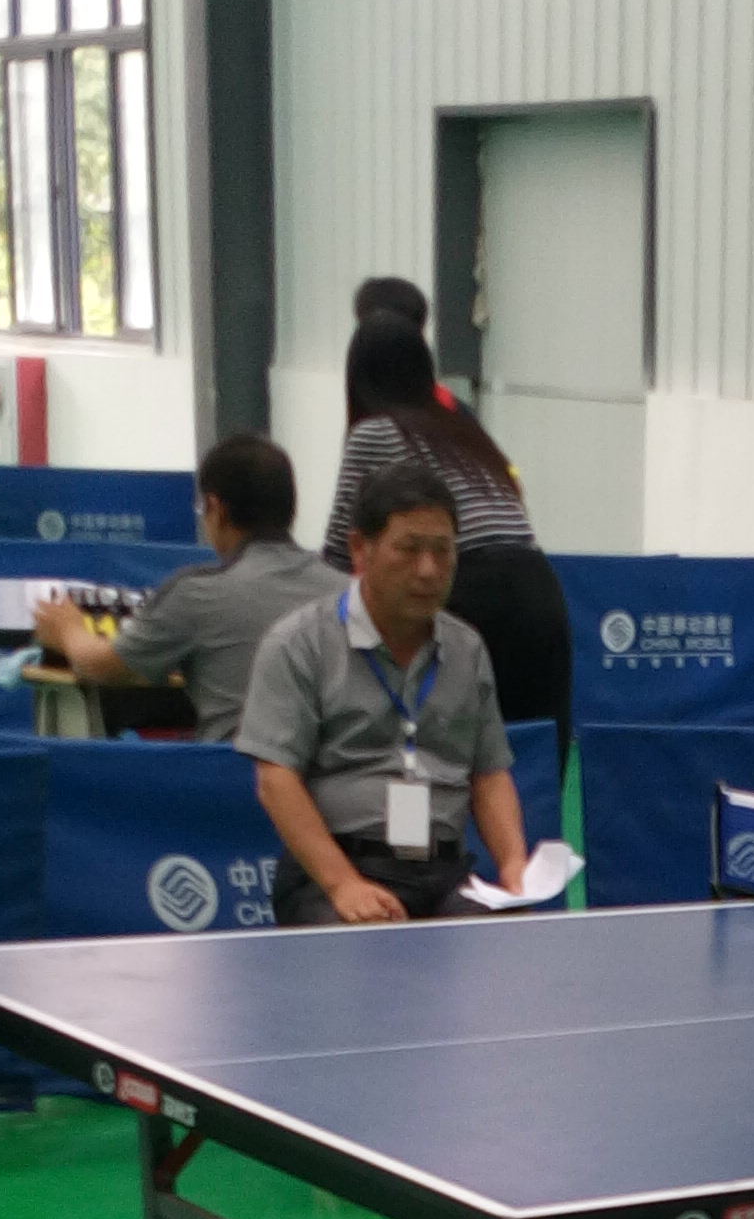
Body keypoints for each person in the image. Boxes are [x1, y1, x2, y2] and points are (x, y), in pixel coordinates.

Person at [237, 457, 528, 925]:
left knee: (501, 940)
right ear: (360, 549)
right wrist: (342, 884)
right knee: (365, 948)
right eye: (409, 549)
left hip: (445, 873)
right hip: (338, 872)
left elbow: (490, 774)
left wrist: (513, 865)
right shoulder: (298, 643)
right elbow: (276, 781)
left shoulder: (467, 648)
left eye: (443, 551)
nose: (428, 570)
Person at [322, 309, 574, 781]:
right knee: (533, 763)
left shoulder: (374, 433)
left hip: (465, 587)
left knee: (450, 761)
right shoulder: (465, 431)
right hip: (540, 593)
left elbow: (338, 556)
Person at [28, 432, 337, 738]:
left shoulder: (197, 593)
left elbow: (101, 667)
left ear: (216, 509)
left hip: (235, 765)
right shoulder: (345, 590)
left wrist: (68, 630)